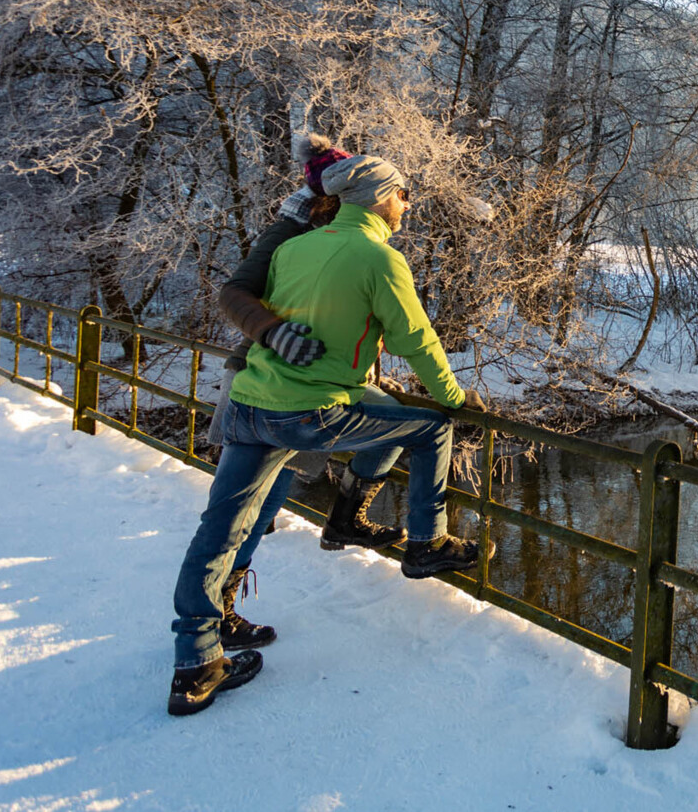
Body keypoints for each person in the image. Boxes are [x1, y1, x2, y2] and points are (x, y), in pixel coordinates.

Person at [168, 151, 488, 716]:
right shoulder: (379, 258)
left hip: (250, 401)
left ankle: (195, 660)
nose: (407, 204)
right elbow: (416, 339)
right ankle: (426, 542)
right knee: (430, 426)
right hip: (308, 409)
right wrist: (456, 399)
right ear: (380, 198)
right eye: (402, 193)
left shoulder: (295, 246)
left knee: (220, 526)